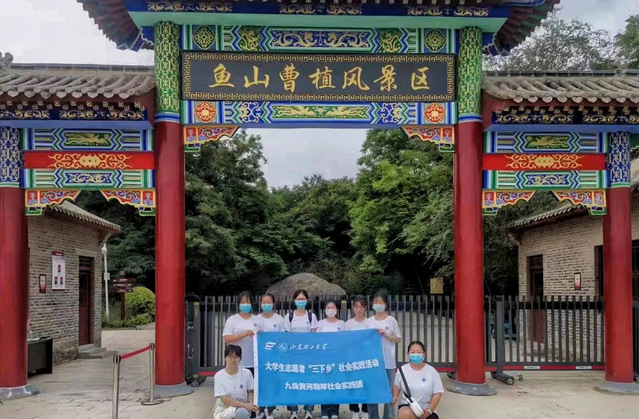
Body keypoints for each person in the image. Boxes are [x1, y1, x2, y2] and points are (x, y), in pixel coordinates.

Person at [367, 290, 401, 419]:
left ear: (385, 304)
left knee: (389, 391)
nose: (377, 305)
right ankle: (373, 416)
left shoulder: (391, 320)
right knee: (372, 391)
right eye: (375, 302)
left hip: (388, 361)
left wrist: (386, 335)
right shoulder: (369, 321)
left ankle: (389, 416)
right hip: (372, 362)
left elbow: (398, 339)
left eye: (380, 303)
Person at [284, 289, 318, 419]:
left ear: (307, 300)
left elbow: (314, 336)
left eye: (303, 299)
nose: (301, 301)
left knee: (309, 382)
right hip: (293, 355)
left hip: (308, 355)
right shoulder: (289, 316)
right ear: (294, 301)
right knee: (292, 382)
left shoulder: (311, 316)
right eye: (298, 299)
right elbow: (287, 336)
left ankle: (309, 410)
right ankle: (293, 410)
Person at [392, 341, 444, 419]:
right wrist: (395, 397)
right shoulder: (402, 370)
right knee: (405, 413)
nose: (415, 354)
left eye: (419, 352)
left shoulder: (432, 371)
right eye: (413, 352)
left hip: (427, 408)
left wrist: (429, 411)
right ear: (408, 354)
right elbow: (397, 386)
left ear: (424, 354)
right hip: (408, 405)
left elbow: (437, 393)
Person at [256, 293, 285, 419]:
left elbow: (283, 338)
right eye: (264, 302)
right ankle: (261, 409)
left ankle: (271, 410)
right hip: (260, 357)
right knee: (261, 383)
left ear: (273, 304)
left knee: (272, 383)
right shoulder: (256, 319)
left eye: (269, 302)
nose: (266, 304)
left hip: (274, 357)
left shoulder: (279, 319)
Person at [316, 300, 346, 419]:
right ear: (325, 310)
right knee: (324, 385)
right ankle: (324, 411)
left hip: (337, 359)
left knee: (336, 385)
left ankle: (334, 411)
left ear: (336, 310)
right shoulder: (320, 323)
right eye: (328, 307)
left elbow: (346, 340)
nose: (330, 309)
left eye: (333, 307)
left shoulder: (342, 324)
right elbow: (317, 340)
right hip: (324, 359)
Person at [214, 344, 259, 419]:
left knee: (242, 413)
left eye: (236, 357)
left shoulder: (247, 373)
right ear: (225, 358)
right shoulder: (219, 375)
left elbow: (250, 391)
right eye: (230, 357)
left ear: (240, 359)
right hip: (224, 408)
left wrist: (251, 405)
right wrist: (244, 405)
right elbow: (223, 398)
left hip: (242, 409)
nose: (233, 360)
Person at [345, 296, 370, 419]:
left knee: (366, 384)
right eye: (356, 306)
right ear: (353, 308)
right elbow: (344, 341)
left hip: (366, 359)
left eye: (361, 306)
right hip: (352, 358)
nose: (359, 309)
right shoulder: (348, 324)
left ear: (365, 308)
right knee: (353, 384)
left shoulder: (370, 323)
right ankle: (354, 410)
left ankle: (365, 410)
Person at [223, 291, 260, 373]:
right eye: (242, 302)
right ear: (238, 304)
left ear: (251, 303)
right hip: (236, 361)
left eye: (247, 302)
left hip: (254, 361)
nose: (245, 304)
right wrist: (244, 334)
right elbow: (227, 339)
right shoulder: (232, 320)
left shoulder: (257, 319)